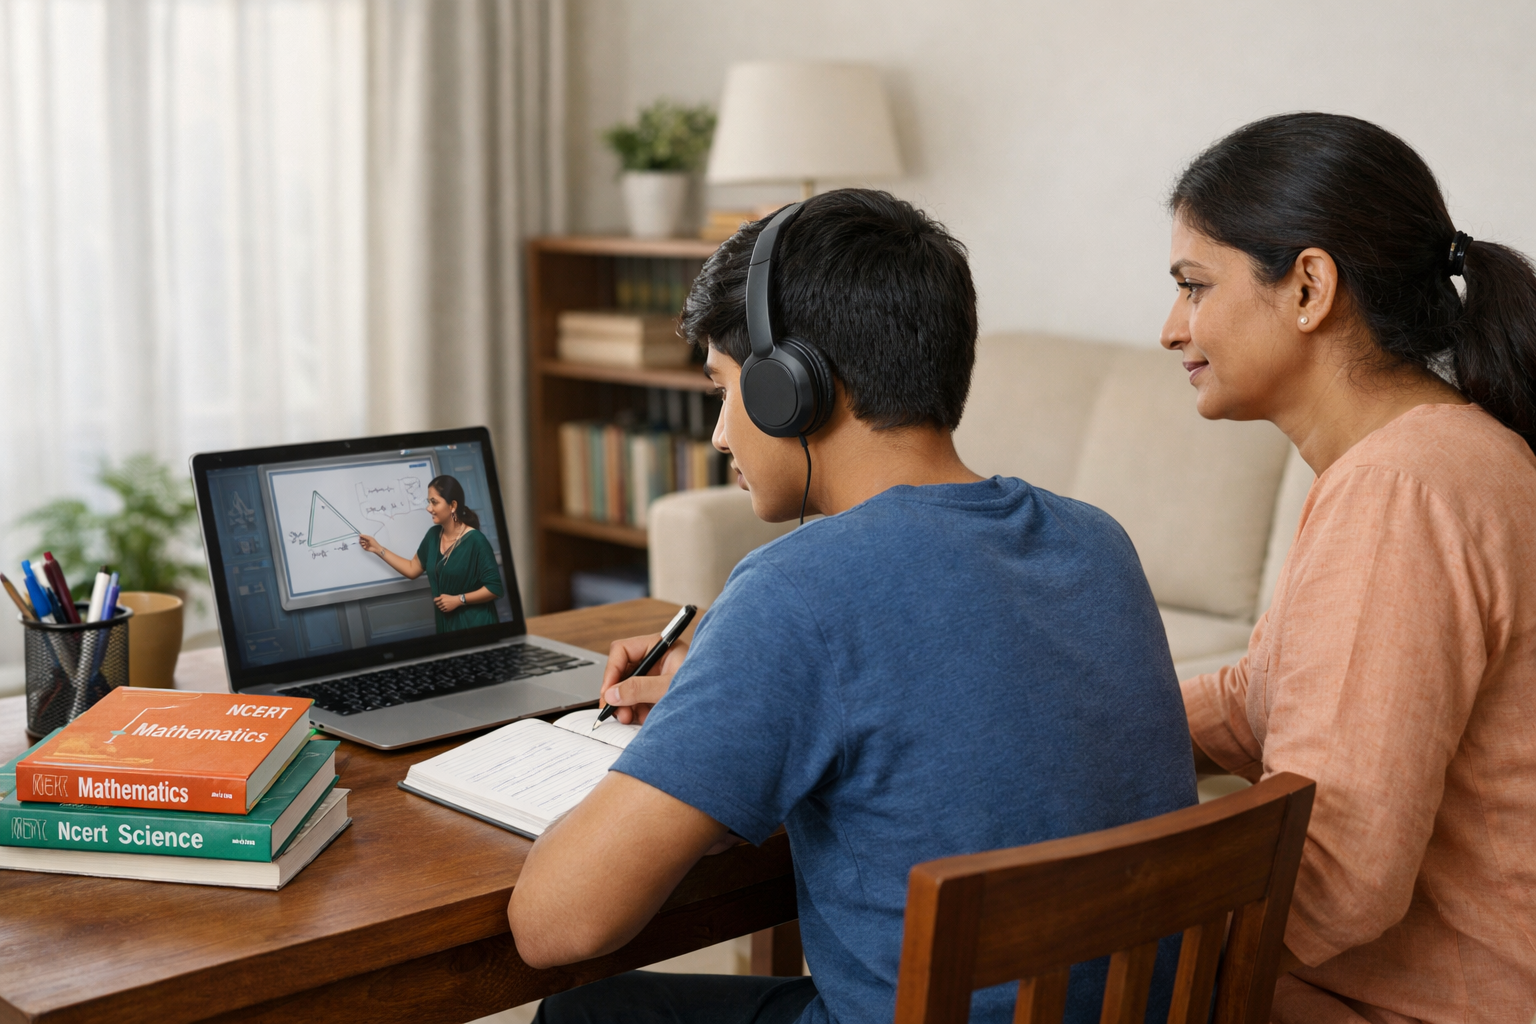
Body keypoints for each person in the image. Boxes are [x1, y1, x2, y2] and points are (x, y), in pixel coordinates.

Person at [509, 189, 1197, 1024]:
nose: (721, 433)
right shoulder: (1096, 542)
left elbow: (555, 924)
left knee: (585, 1012)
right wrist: (726, 716)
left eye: (724, 388)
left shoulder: (794, 591)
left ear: (788, 386)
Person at [1162, 113, 1536, 1023]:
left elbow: (1340, 872)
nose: (1172, 329)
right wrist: (1064, 722)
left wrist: (1099, 941)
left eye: (1193, 286)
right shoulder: (1425, 455)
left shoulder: (1401, 487)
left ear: (1309, 287)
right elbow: (1267, 697)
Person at [357, 474, 504, 633]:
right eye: (429, 502)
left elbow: (495, 588)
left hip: (477, 626)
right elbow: (413, 569)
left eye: (434, 502)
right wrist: (377, 549)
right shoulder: (433, 535)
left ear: (452, 505)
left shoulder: (476, 540)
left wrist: (459, 600)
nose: (429, 508)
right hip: (447, 626)